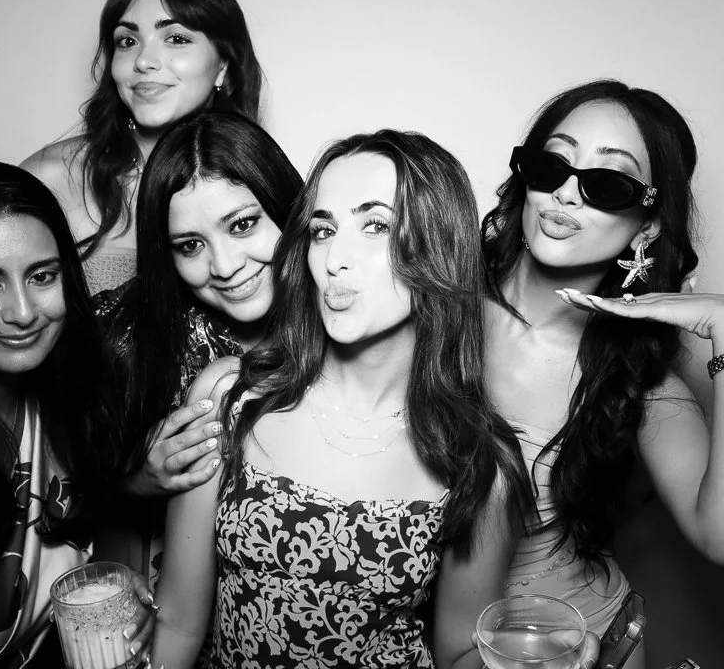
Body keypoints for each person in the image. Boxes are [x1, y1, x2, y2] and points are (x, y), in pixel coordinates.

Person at [150, 130, 544, 669]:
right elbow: (177, 621)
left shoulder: (479, 461)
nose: (335, 257)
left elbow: (459, 653)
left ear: (439, 245)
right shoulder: (232, 398)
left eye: (375, 225)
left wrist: (530, 661)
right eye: (323, 229)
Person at [481, 79, 724, 655]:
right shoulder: (432, 307)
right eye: (551, 165)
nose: (566, 194)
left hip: (583, 647)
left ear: (647, 226)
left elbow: (718, 537)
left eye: (608, 183)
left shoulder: (640, 381)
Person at [0, 162, 153, 668]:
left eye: (42, 277)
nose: (24, 312)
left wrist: (116, 580)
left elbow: (95, 520)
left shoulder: (76, 395)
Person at [92, 110, 303, 586]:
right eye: (190, 245)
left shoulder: (348, 321)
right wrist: (136, 481)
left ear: (288, 208)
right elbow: (68, 498)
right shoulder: (129, 339)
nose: (225, 265)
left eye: (243, 225)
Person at [22, 0, 263, 295]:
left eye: (176, 38)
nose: (144, 61)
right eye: (128, 41)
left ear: (223, 64)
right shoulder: (52, 178)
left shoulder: (259, 189)